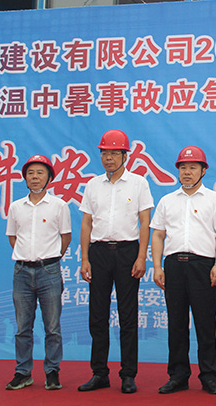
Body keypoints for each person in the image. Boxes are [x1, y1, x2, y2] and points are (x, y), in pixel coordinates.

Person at [151, 146, 216, 395]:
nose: (187, 172)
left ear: (203, 171)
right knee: (176, 323)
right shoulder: (167, 201)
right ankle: (178, 375)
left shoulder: (214, 200)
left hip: (203, 266)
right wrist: (157, 266)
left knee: (205, 324)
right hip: (174, 265)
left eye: (193, 167)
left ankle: (209, 376)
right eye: (183, 167)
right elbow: (158, 235)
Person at [77, 129, 154, 394]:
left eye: (113, 153)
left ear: (125, 155)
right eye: (104, 153)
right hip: (98, 252)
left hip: (127, 252)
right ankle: (99, 373)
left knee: (128, 316)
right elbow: (86, 223)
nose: (108, 158)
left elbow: (145, 222)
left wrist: (142, 256)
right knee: (97, 316)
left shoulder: (138, 183)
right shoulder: (93, 185)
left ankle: (128, 374)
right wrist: (85, 258)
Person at [5, 154, 71, 391]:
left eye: (40, 173)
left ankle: (52, 372)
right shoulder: (16, 207)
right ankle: (23, 372)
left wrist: (49, 258)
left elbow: (65, 237)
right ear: (25, 178)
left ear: (49, 178)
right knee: (23, 327)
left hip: (49, 271)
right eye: (30, 173)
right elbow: (13, 237)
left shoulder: (59, 206)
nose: (35, 177)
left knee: (52, 327)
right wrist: (27, 256)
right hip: (22, 271)